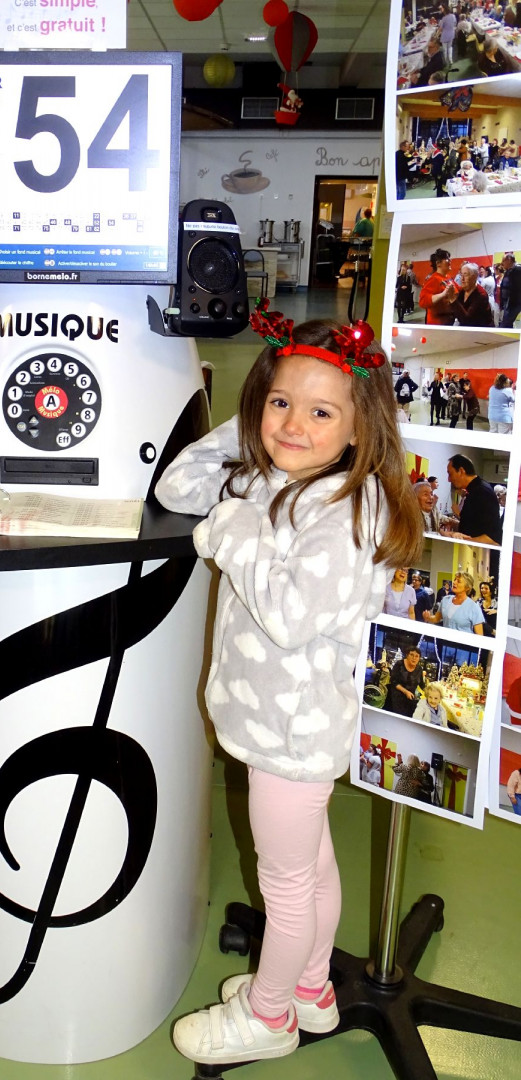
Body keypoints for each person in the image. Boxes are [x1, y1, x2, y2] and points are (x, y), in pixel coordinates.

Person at [156, 311, 424, 1066]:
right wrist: (250, 431)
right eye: (280, 402)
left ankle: (267, 1016)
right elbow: (179, 486)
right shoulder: (275, 473)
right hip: (272, 725)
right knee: (311, 870)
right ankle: (310, 990)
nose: (294, 426)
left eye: (320, 412)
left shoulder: (346, 511)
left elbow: (287, 616)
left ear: (361, 426)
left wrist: (233, 531)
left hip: (293, 737)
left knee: (286, 886)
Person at [443, 454, 502, 545]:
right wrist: (456, 525)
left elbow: (492, 539)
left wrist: (460, 540)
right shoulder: (474, 491)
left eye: (450, 474)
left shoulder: (482, 492)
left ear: (461, 471)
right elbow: (475, 527)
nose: (449, 479)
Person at [385, 647, 426, 716]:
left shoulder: (419, 669)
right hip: (397, 695)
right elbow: (393, 681)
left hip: (411, 698)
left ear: (419, 658)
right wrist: (406, 692)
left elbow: (421, 685)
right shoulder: (399, 664)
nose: (414, 658)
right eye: (411, 655)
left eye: (417, 656)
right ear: (407, 655)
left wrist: (418, 698)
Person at [419, 249, 457, 325]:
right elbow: (422, 301)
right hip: (438, 323)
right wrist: (443, 294)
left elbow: (458, 290)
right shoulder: (433, 279)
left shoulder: (448, 277)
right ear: (438, 264)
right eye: (447, 258)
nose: (450, 260)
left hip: (449, 320)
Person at [499, 253, 521, 328]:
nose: (502, 263)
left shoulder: (518, 269)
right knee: (507, 324)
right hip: (508, 302)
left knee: (505, 324)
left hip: (513, 303)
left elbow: (516, 288)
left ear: (509, 260)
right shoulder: (508, 271)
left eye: (503, 260)